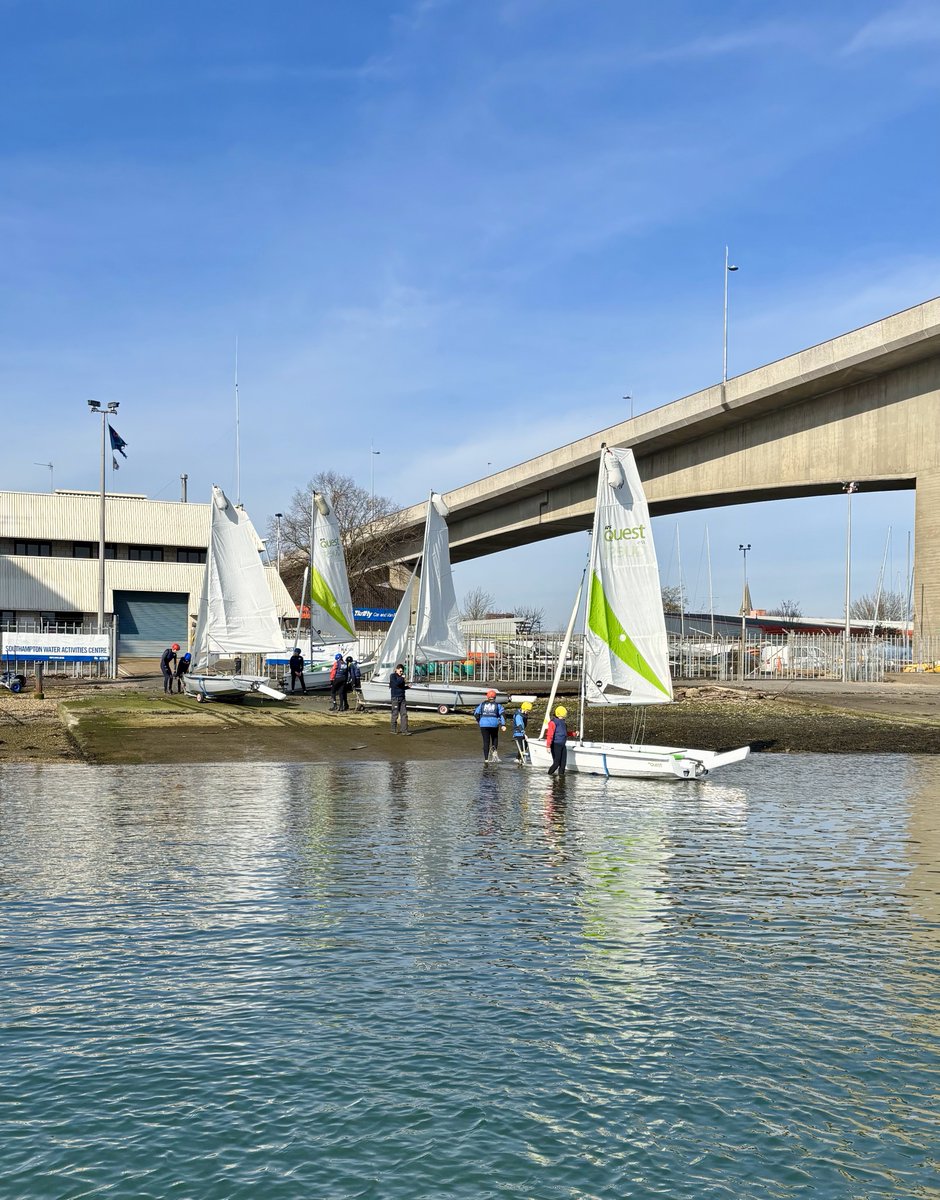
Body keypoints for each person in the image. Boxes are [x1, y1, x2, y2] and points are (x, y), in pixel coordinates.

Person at [473, 689, 506, 763]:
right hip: (494, 724)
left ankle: (486, 759)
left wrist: (480, 721)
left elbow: (476, 714)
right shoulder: (498, 705)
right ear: (495, 697)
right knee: (494, 738)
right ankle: (494, 755)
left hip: (483, 725)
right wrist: (503, 724)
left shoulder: (482, 704)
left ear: (487, 697)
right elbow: (502, 715)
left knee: (486, 741)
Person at [544, 705, 576, 776]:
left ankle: (561, 779)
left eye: (564, 716)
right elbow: (549, 735)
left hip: (562, 745)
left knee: (563, 764)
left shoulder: (563, 722)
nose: (563, 717)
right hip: (555, 745)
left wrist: (573, 734)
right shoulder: (552, 723)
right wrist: (548, 746)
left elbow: (564, 733)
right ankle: (549, 775)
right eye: (562, 715)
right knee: (556, 763)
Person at [389, 663, 410, 734]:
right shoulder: (392, 676)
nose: (401, 673)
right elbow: (397, 683)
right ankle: (393, 730)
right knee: (395, 714)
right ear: (396, 670)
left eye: (402, 671)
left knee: (404, 714)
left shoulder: (401, 678)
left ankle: (404, 730)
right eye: (400, 671)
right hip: (395, 698)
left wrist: (407, 687)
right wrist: (402, 678)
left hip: (402, 698)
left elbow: (401, 687)